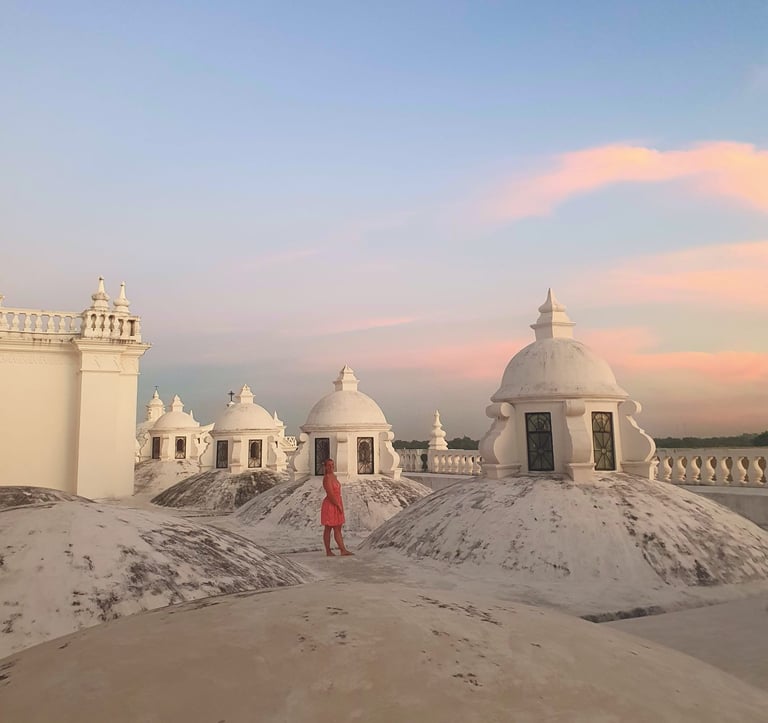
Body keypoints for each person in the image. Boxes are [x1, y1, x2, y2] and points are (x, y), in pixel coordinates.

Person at [321, 458, 353, 556]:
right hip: (331, 504)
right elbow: (330, 494)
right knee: (328, 528)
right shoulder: (327, 478)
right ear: (325, 467)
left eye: (332, 465)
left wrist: (339, 504)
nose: (331, 467)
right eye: (329, 465)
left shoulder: (333, 476)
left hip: (336, 502)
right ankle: (329, 550)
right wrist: (337, 504)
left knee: (337, 528)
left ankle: (342, 549)